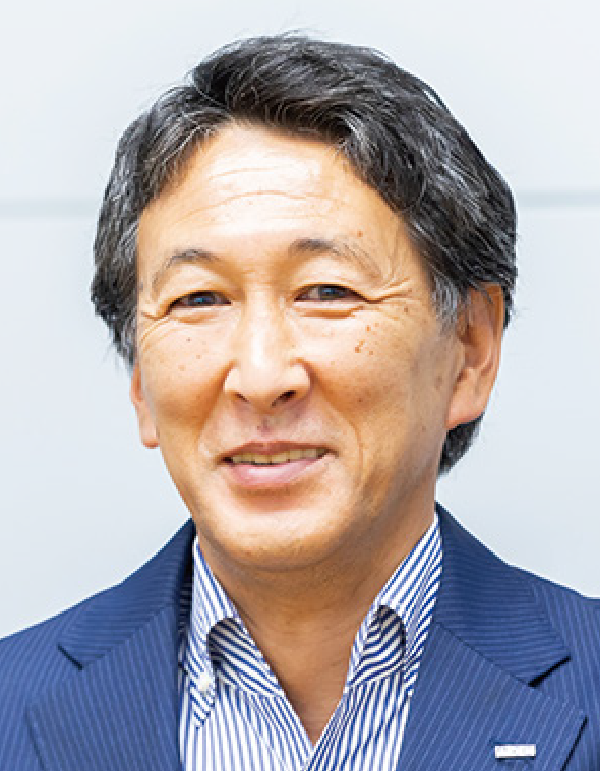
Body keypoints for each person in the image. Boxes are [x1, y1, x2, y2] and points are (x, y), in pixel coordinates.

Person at [1, 34, 598, 771]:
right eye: (198, 299)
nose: (260, 374)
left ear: (470, 349)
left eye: (326, 291)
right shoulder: (12, 706)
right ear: (140, 382)